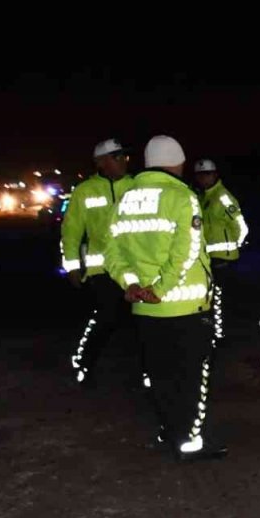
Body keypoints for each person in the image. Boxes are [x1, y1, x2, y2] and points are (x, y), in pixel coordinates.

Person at [105, 135, 223, 462]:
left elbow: (112, 252)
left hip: (144, 309)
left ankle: (169, 432)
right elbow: (186, 253)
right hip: (184, 306)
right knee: (191, 376)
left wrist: (130, 286)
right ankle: (190, 442)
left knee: (160, 375)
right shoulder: (181, 196)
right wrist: (160, 288)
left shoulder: (125, 200)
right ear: (178, 161)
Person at [60, 138, 135, 385]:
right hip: (101, 269)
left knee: (140, 321)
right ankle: (85, 363)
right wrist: (72, 267)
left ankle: (143, 373)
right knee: (108, 317)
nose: (122, 160)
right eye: (115, 157)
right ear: (100, 163)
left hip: (136, 267)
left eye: (122, 156)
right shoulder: (85, 191)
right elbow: (71, 231)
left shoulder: (136, 186)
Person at [191, 158, 249, 343]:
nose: (203, 179)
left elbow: (241, 226)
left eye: (207, 174)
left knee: (219, 298)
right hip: (208, 257)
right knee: (212, 296)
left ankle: (219, 334)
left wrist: (235, 245)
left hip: (224, 256)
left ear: (215, 175)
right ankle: (216, 331)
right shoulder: (202, 197)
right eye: (200, 175)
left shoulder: (223, 197)